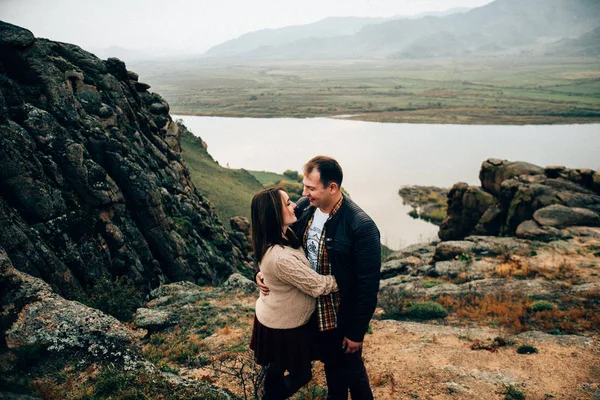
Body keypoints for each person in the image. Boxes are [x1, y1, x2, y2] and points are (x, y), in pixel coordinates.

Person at [257, 156, 381, 399]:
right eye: (305, 186)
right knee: (310, 368)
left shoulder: (361, 226)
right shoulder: (305, 208)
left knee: (350, 373)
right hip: (308, 313)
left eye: (311, 188)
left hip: (338, 316)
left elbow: (367, 286)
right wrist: (263, 272)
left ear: (332, 188)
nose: (304, 193)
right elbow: (278, 245)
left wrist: (356, 333)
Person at [249, 187, 339, 400]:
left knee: (277, 365)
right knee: (301, 374)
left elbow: (273, 268)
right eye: (288, 203)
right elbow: (318, 286)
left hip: (275, 315)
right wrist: (347, 279)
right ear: (274, 214)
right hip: (284, 325)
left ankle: (270, 391)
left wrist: (261, 274)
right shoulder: (280, 258)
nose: (294, 206)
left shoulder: (280, 233)